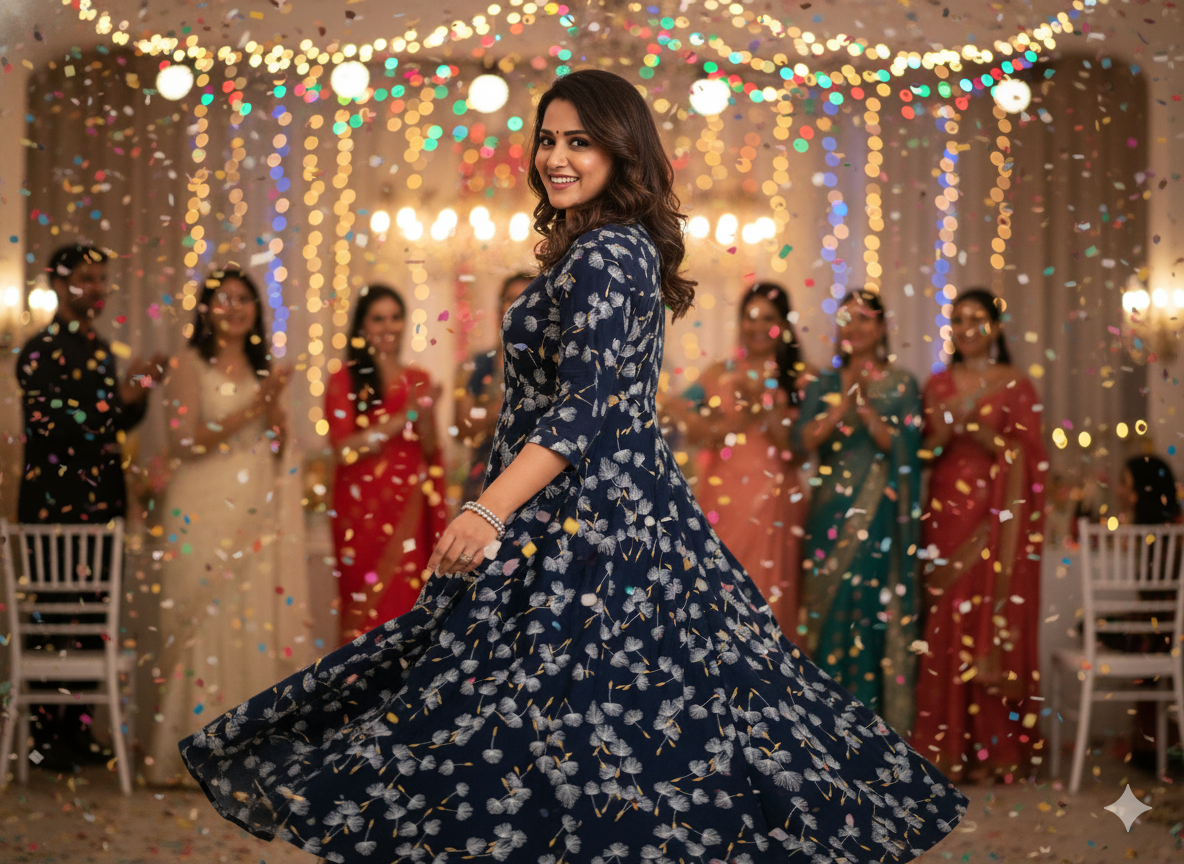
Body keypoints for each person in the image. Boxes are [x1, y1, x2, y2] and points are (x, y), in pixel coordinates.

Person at [180, 70, 966, 860]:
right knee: (590, 727)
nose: (556, 157)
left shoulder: (604, 252)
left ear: (621, 151)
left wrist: (487, 508)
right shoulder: (611, 249)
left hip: (587, 522)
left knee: (549, 720)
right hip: (600, 513)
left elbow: (584, 408)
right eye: (549, 140)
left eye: (580, 141)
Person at [146, 267, 312, 785]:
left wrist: (278, 426)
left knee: (249, 616)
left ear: (256, 311)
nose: (235, 308)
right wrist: (255, 409)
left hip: (252, 511)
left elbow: (278, 444)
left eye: (244, 299)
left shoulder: (263, 372)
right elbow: (185, 440)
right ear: (207, 308)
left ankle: (244, 753)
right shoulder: (188, 365)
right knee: (201, 618)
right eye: (225, 299)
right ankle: (189, 753)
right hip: (200, 507)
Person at [17, 243, 165, 769]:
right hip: (54, 506)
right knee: (51, 617)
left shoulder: (102, 350)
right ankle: (41, 739)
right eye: (86, 279)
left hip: (102, 505)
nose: (97, 289)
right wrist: (116, 401)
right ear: (58, 285)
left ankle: (77, 734)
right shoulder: (37, 352)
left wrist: (141, 390)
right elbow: (53, 425)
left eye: (102, 279)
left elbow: (114, 426)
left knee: (92, 621)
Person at [910, 288, 1048, 783]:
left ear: (996, 326)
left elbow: (1033, 462)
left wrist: (989, 438)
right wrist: (944, 435)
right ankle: (947, 750)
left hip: (997, 515)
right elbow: (922, 455)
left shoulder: (1016, 386)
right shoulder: (938, 384)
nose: (967, 328)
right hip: (947, 511)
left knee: (987, 609)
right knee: (947, 618)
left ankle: (995, 753)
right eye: (959, 319)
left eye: (978, 319)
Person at [796, 289, 923, 734]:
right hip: (829, 516)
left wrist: (867, 412)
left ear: (882, 328)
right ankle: (826, 728)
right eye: (849, 318)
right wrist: (840, 410)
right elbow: (801, 444)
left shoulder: (902, 384)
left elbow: (907, 451)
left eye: (867, 319)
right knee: (826, 612)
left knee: (870, 611)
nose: (857, 327)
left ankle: (874, 729)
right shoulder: (822, 385)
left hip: (879, 520)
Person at [677, 282, 807, 639]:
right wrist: (715, 426)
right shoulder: (719, 372)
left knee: (767, 599)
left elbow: (798, 450)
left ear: (784, 324)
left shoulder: (798, 376)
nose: (757, 326)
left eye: (768, 318)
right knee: (719, 591)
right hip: (723, 494)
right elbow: (684, 420)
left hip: (773, 498)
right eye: (750, 318)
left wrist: (763, 400)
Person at [324, 284, 448, 643]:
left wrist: (423, 416)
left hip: (408, 512)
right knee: (362, 610)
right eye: (378, 318)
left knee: (406, 608)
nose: (388, 326)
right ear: (362, 327)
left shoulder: (418, 377)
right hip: (360, 515)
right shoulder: (344, 379)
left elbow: (429, 451)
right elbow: (345, 450)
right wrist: (404, 415)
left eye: (395, 318)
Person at [454, 272, 533, 503]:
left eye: (526, 299)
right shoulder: (477, 366)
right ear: (500, 308)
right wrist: (494, 414)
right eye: (511, 299)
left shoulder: (552, 366)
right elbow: (460, 428)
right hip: (483, 481)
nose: (518, 306)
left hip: (532, 483)